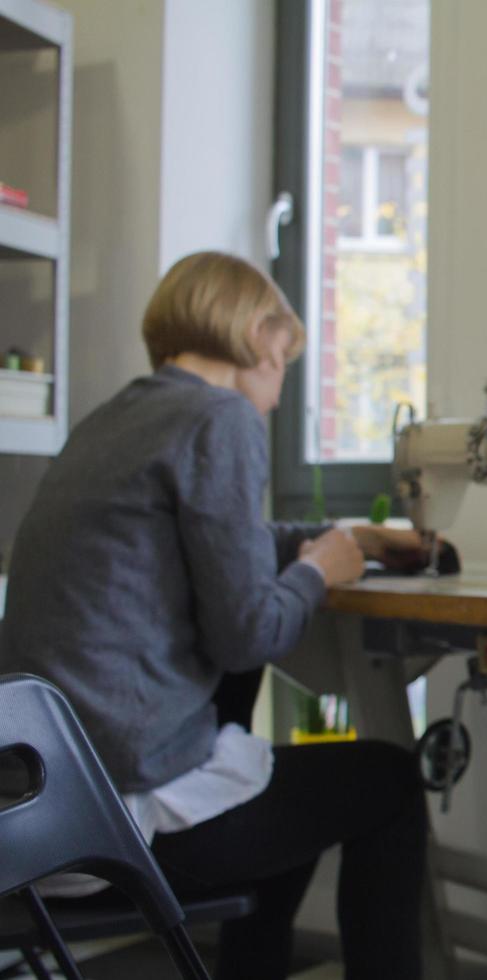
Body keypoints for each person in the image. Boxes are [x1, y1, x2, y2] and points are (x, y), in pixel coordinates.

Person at [0, 251, 429, 980]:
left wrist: (335, 541)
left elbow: (212, 543)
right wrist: (317, 572)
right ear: (261, 338)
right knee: (388, 782)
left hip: (34, 809)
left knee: (269, 772)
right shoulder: (221, 417)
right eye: (286, 361)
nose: (278, 389)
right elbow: (246, 635)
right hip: (116, 824)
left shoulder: (114, 417)